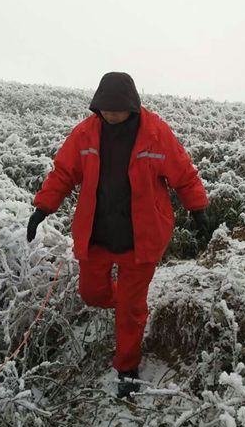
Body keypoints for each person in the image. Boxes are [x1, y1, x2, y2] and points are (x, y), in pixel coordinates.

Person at [27, 72, 209, 399]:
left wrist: (198, 210)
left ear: (132, 105)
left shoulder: (155, 133)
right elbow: (63, 173)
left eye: (117, 109)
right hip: (97, 234)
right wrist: (42, 208)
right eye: (105, 109)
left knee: (129, 306)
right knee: (92, 294)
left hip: (142, 237)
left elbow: (183, 173)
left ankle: (127, 366)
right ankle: (131, 307)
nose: (110, 115)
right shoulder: (85, 134)